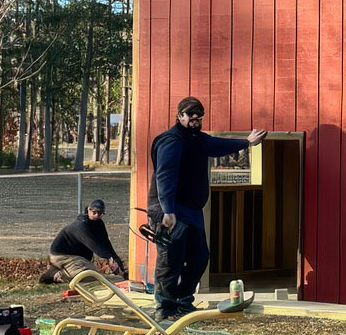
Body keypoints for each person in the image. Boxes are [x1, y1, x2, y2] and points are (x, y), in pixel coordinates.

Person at [147, 96, 267, 322]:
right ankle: (165, 309)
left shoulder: (198, 140)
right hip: (171, 211)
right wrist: (168, 210)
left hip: (192, 211)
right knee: (170, 259)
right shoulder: (171, 141)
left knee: (199, 257)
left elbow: (218, 145)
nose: (195, 120)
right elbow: (165, 176)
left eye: (199, 116)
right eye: (190, 116)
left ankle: (183, 301)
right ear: (179, 116)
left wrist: (247, 142)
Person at [39, 199, 126, 284]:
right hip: (61, 255)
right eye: (94, 212)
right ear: (89, 209)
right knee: (91, 274)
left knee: (92, 271)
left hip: (76, 257)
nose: (96, 215)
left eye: (100, 213)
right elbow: (95, 246)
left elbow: (106, 243)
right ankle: (58, 275)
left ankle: (62, 269)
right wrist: (110, 259)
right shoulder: (81, 225)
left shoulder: (99, 224)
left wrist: (117, 262)